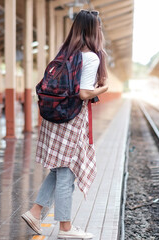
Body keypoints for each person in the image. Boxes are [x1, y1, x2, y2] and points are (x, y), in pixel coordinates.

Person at [21, 9, 108, 239]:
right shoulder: (91, 57)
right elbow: (84, 93)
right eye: (98, 26)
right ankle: (66, 229)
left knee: (60, 169)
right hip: (71, 119)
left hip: (54, 117)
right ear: (93, 29)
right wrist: (104, 88)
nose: (100, 30)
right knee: (66, 171)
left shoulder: (67, 52)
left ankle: (35, 212)